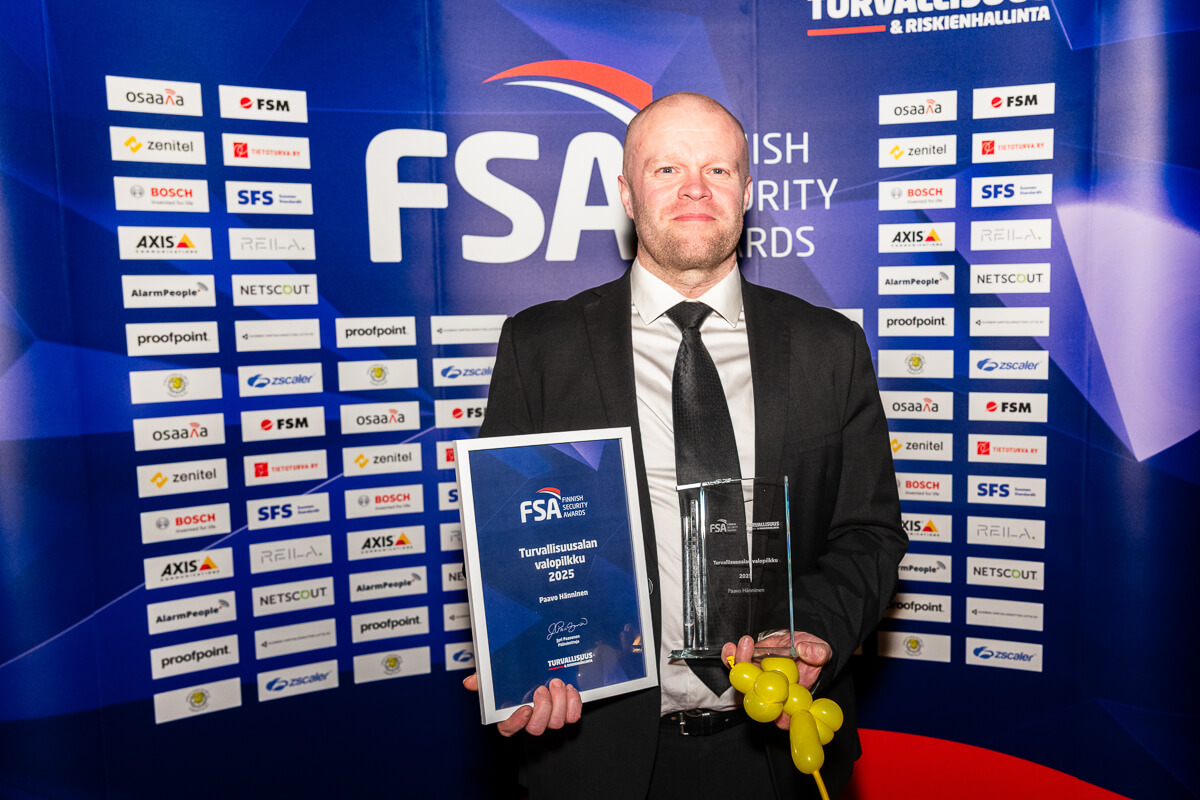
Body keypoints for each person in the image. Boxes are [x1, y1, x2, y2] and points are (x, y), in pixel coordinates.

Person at [463, 92, 906, 799]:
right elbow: (513, 540)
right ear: (627, 194)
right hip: (596, 756)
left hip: (780, 751)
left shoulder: (830, 346)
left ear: (747, 192)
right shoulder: (539, 346)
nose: (695, 187)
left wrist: (817, 630)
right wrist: (527, 657)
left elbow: (869, 531)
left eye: (717, 170)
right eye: (667, 168)